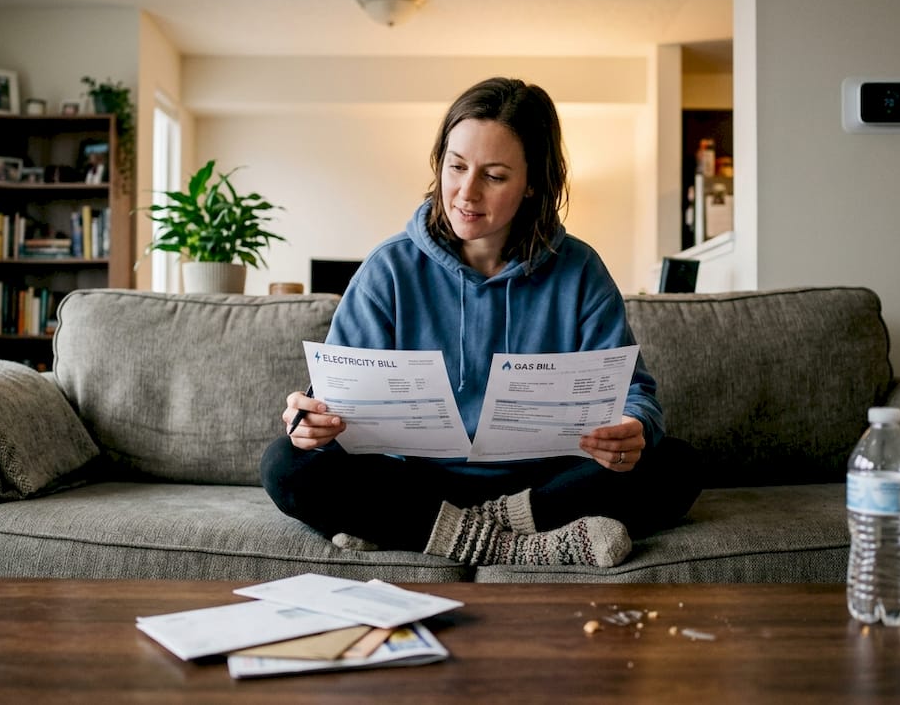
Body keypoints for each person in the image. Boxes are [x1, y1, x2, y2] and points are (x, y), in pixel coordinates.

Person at [261, 77, 699, 568]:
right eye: (456, 167)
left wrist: (633, 426)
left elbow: (635, 393)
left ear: (532, 182)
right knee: (286, 464)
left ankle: (414, 529)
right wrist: (311, 421)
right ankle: (523, 544)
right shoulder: (389, 268)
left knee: (676, 466)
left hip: (544, 480)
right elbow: (335, 399)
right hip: (415, 478)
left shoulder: (579, 270)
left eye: (493, 175)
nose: (465, 193)